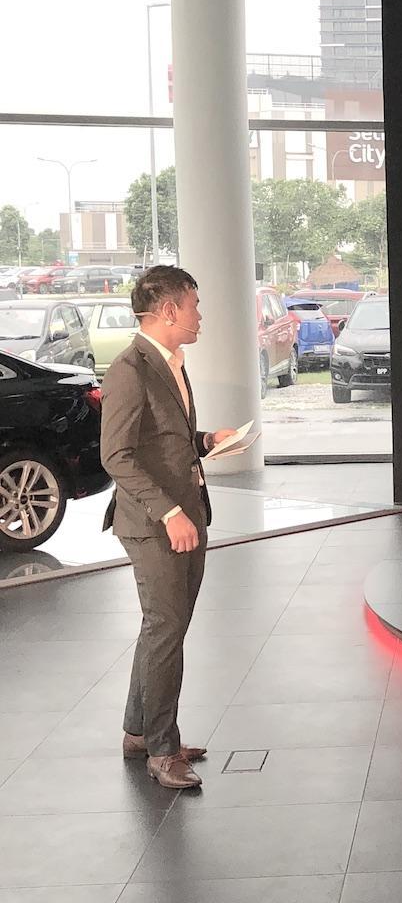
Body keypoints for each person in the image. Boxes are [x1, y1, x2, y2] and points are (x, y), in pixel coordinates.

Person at [100, 266, 236, 789]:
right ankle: (162, 751)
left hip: (184, 514)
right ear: (170, 310)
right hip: (154, 524)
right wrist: (170, 512)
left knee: (163, 627)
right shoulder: (128, 369)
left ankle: (139, 733)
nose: (200, 316)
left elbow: (162, 439)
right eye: (194, 306)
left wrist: (205, 441)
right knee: (166, 629)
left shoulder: (171, 362)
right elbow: (117, 456)